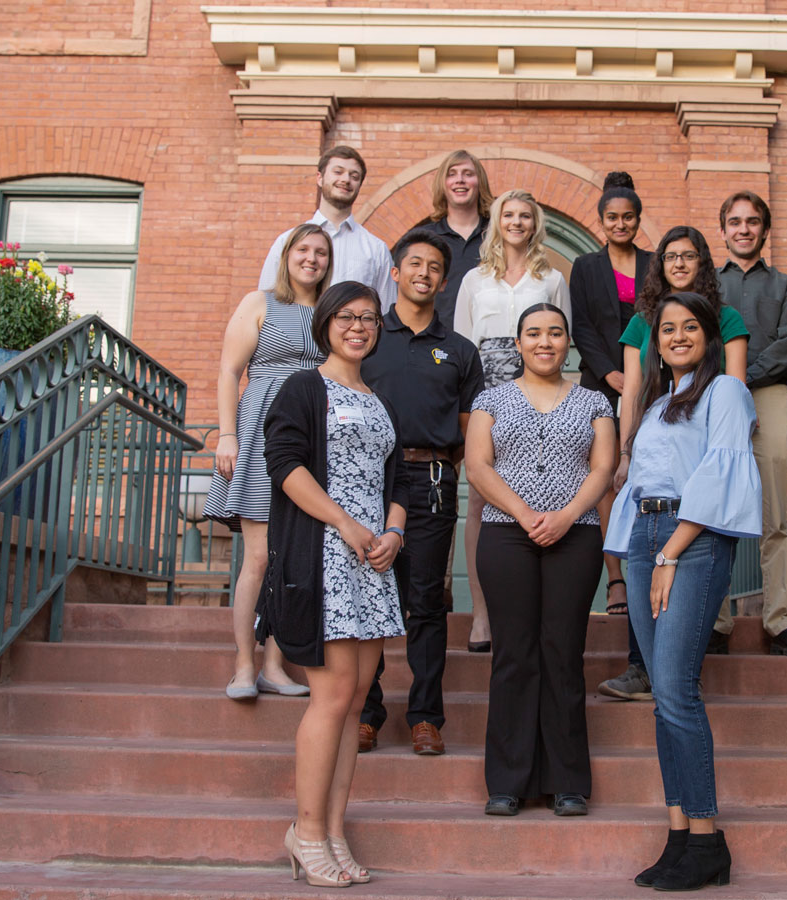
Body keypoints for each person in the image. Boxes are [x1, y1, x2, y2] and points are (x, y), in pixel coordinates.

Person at [604, 291, 761, 892]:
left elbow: (721, 470)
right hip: (647, 537)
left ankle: (707, 841)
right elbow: (642, 479)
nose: (675, 336)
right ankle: (677, 834)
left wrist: (671, 551)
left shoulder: (725, 391)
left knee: (675, 688)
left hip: (690, 540)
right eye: (665, 328)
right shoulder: (654, 402)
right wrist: (643, 550)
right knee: (661, 697)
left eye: (688, 326)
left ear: (708, 334)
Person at [263, 281, 409, 888]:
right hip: (322, 554)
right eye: (347, 317)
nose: (359, 326)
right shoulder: (302, 387)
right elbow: (286, 465)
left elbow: (395, 479)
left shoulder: (377, 398)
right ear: (325, 323)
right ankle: (305, 831)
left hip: (371, 563)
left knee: (356, 699)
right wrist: (345, 522)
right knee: (331, 696)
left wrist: (394, 533)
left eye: (369, 318)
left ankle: (333, 828)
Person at [466, 303, 616, 818]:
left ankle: (566, 781)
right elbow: (478, 466)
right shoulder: (491, 399)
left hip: (575, 535)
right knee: (514, 654)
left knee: (562, 651)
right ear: (519, 342)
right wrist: (526, 512)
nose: (545, 342)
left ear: (568, 342)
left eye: (555, 333)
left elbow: (603, 468)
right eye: (534, 333)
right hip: (508, 534)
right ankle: (507, 781)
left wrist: (567, 514)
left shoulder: (595, 402)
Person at [601, 226, 747, 685]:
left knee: (678, 675)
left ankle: (681, 662)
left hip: (701, 450)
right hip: (652, 444)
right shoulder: (643, 321)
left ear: (703, 262)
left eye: (689, 256)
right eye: (669, 256)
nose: (679, 264)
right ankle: (644, 667)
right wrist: (627, 453)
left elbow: (735, 386)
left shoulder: (724, 319)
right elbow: (634, 393)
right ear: (658, 265)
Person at [357, 228, 483, 757]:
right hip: (367, 482)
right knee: (368, 598)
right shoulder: (365, 338)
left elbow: (468, 430)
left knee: (426, 601)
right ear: (396, 271)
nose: (423, 273)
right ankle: (365, 713)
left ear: (444, 280)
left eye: (434, 267)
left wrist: (435, 465)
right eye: (415, 264)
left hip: (431, 481)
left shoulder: (459, 351)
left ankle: (426, 716)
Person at [206, 223, 330, 700]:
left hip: (311, 438)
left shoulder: (329, 311)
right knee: (259, 557)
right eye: (303, 249)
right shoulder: (259, 303)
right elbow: (228, 371)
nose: (311, 259)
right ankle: (243, 664)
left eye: (321, 252)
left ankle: (276, 665)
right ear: (286, 255)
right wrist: (228, 434)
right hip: (259, 431)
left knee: (292, 557)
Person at [452, 189, 569, 654]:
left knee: (535, 491)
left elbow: (562, 336)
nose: (516, 222)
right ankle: (482, 614)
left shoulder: (553, 277)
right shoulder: (474, 280)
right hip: (485, 388)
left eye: (525, 216)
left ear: (534, 223)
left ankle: (530, 613)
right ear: (496, 222)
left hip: (536, 385)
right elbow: (462, 346)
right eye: (509, 215)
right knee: (481, 501)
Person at [715, 191, 787, 659]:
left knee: (775, 512)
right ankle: (713, 621)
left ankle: (782, 621)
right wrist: (728, 388)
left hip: (768, 393)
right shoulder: (705, 286)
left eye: (752, 221)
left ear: (764, 229)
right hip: (714, 398)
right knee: (711, 510)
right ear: (723, 230)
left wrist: (745, 381)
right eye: (735, 222)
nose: (743, 229)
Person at [568, 173, 655, 701]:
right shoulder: (585, 266)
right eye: (611, 218)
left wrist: (639, 378)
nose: (620, 224)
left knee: (639, 476)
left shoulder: (653, 265)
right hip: (603, 382)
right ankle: (615, 577)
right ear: (600, 222)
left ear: (637, 221)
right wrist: (610, 375)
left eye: (627, 217)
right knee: (604, 476)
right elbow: (582, 329)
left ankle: (641, 567)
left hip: (650, 381)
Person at [257, 145, 397, 310]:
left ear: (359, 185)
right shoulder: (287, 241)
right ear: (320, 178)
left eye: (354, 176)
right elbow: (265, 305)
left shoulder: (376, 249)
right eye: (338, 172)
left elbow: (386, 312)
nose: (346, 179)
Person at [404, 149, 494, 329]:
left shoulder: (498, 235)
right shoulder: (424, 239)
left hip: (487, 343)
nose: (460, 179)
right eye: (452, 174)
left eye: (468, 174)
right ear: (443, 184)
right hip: (433, 341)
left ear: (480, 182)